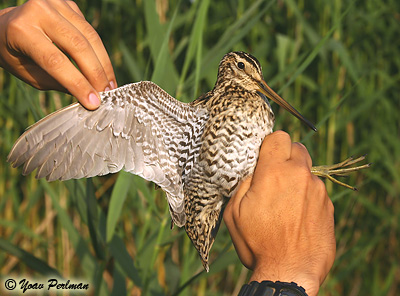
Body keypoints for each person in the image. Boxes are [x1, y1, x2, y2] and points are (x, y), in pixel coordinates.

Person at [0, 1, 336, 295]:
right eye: (246, 71)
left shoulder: (259, 104)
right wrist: (283, 277)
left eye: (259, 77)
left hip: (235, 203)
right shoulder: (202, 113)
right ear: (229, 71)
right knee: (130, 97)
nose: (260, 85)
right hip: (201, 201)